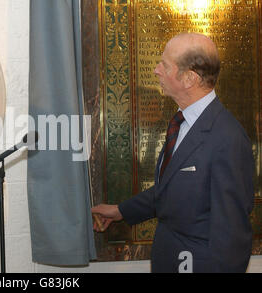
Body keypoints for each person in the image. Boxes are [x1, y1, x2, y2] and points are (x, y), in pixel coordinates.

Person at [91, 33, 255, 273]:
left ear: (189, 78)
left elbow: (231, 238)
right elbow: (172, 187)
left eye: (165, 65)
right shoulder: (181, 122)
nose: (156, 70)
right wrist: (120, 211)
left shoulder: (227, 139)